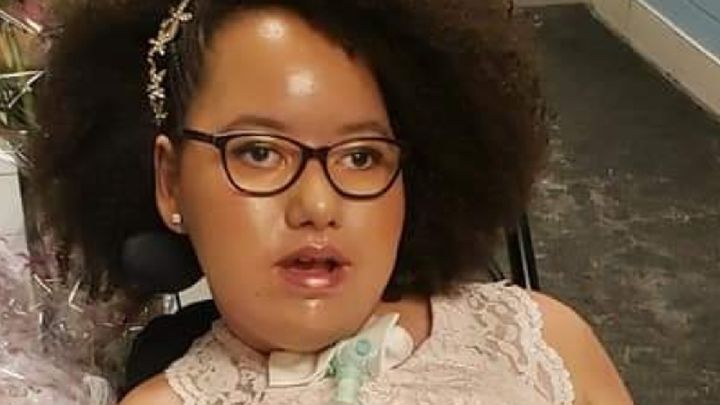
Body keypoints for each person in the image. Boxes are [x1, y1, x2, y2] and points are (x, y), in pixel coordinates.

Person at [30, 0, 633, 403]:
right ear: (171, 183)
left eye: (362, 156)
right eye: (259, 152)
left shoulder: (545, 343)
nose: (317, 205)